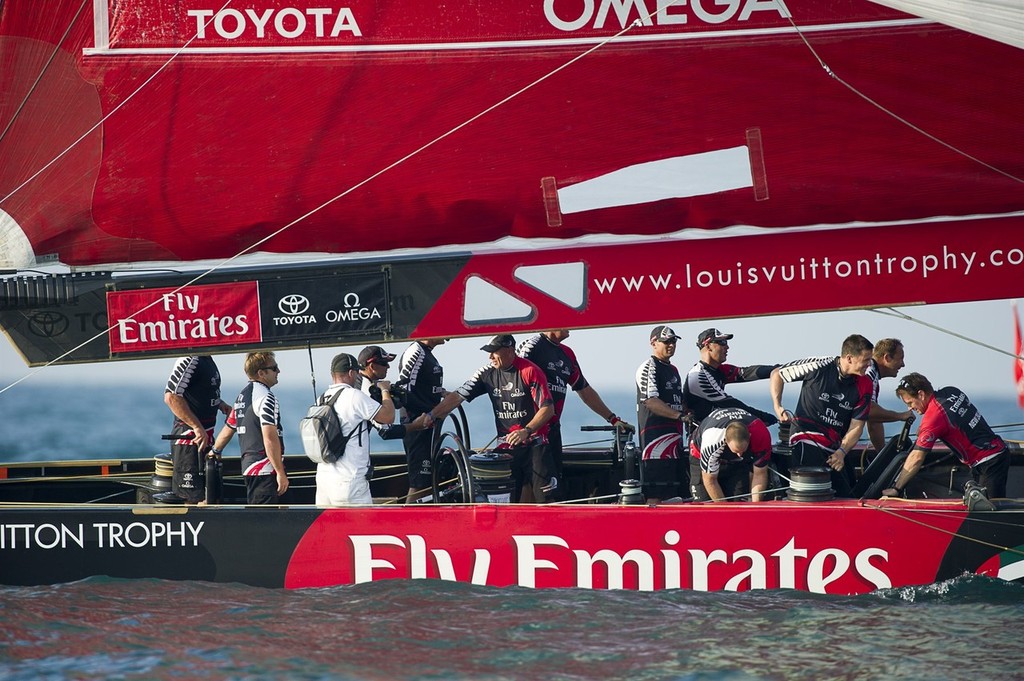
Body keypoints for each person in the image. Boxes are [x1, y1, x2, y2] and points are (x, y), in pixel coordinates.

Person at [425, 334, 556, 503]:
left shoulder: (530, 371)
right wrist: (431, 415)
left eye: (494, 352)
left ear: (509, 351)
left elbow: (548, 408)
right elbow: (458, 396)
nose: (490, 357)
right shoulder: (486, 373)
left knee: (546, 499)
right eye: (488, 352)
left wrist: (526, 431)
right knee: (504, 500)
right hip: (506, 447)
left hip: (536, 444)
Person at [517, 330, 633, 492]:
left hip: (553, 430)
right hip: (532, 433)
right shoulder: (532, 347)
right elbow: (514, 381)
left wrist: (613, 419)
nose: (571, 327)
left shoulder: (567, 354)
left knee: (552, 487)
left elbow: (584, 389)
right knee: (529, 486)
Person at [770, 334, 873, 497]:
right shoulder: (818, 365)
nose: (869, 365)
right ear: (849, 358)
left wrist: (842, 452)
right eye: (866, 360)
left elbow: (857, 427)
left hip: (834, 447)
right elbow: (777, 374)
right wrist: (778, 406)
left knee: (847, 496)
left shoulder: (865, 384)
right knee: (813, 493)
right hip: (805, 437)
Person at [885, 372, 1009, 499]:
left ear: (921, 395)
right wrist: (926, 428)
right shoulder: (951, 391)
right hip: (996, 452)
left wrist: (896, 488)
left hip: (988, 462)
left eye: (910, 402)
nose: (910, 408)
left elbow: (917, 457)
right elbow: (952, 417)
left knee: (989, 512)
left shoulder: (933, 418)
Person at [315, 352, 398, 505]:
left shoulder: (321, 398)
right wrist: (385, 390)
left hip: (324, 481)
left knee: (331, 529)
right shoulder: (353, 396)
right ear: (352, 373)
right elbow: (388, 417)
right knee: (363, 529)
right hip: (349, 481)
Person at [211, 352, 289, 504]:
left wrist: (214, 451)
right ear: (261, 373)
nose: (278, 371)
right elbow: (269, 438)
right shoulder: (266, 398)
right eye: (274, 368)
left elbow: (228, 429)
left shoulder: (242, 396)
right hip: (265, 471)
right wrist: (280, 472)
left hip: (249, 469)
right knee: (267, 523)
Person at [162, 355, 231, 503]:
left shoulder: (208, 359)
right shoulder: (189, 359)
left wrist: (220, 404)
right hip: (190, 438)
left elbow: (201, 391)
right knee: (192, 498)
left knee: (210, 495)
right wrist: (196, 426)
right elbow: (171, 397)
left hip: (205, 436)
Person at [635, 324, 689, 504]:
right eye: (666, 341)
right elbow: (650, 400)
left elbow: (678, 401)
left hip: (675, 441)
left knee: (677, 494)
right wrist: (679, 416)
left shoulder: (673, 370)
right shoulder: (649, 366)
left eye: (673, 341)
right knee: (656, 495)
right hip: (655, 444)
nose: (671, 345)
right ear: (654, 343)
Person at [683, 327, 778, 426]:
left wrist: (777, 369)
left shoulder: (720, 370)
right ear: (708, 346)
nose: (727, 347)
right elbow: (731, 404)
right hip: (701, 434)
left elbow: (747, 372)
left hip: (717, 428)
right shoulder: (699, 375)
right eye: (722, 342)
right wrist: (766, 417)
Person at [397, 338, 448, 503]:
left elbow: (421, 385)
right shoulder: (416, 351)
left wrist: (440, 393)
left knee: (425, 480)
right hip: (417, 423)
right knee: (419, 480)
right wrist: (427, 413)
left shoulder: (426, 353)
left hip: (427, 423)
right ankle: (407, 522)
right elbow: (404, 391)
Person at [689, 408, 771, 502]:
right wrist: (724, 510)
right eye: (736, 451)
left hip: (737, 463)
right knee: (705, 501)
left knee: (739, 500)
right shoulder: (712, 440)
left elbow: (760, 473)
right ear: (726, 441)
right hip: (700, 453)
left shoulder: (761, 434)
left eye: (742, 450)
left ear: (750, 436)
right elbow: (710, 480)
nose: (739, 454)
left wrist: (756, 505)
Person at [864, 338, 914, 452]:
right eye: (900, 358)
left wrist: (882, 454)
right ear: (887, 358)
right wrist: (901, 416)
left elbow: (874, 423)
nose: (903, 364)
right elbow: (869, 411)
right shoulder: (868, 372)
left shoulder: (873, 374)